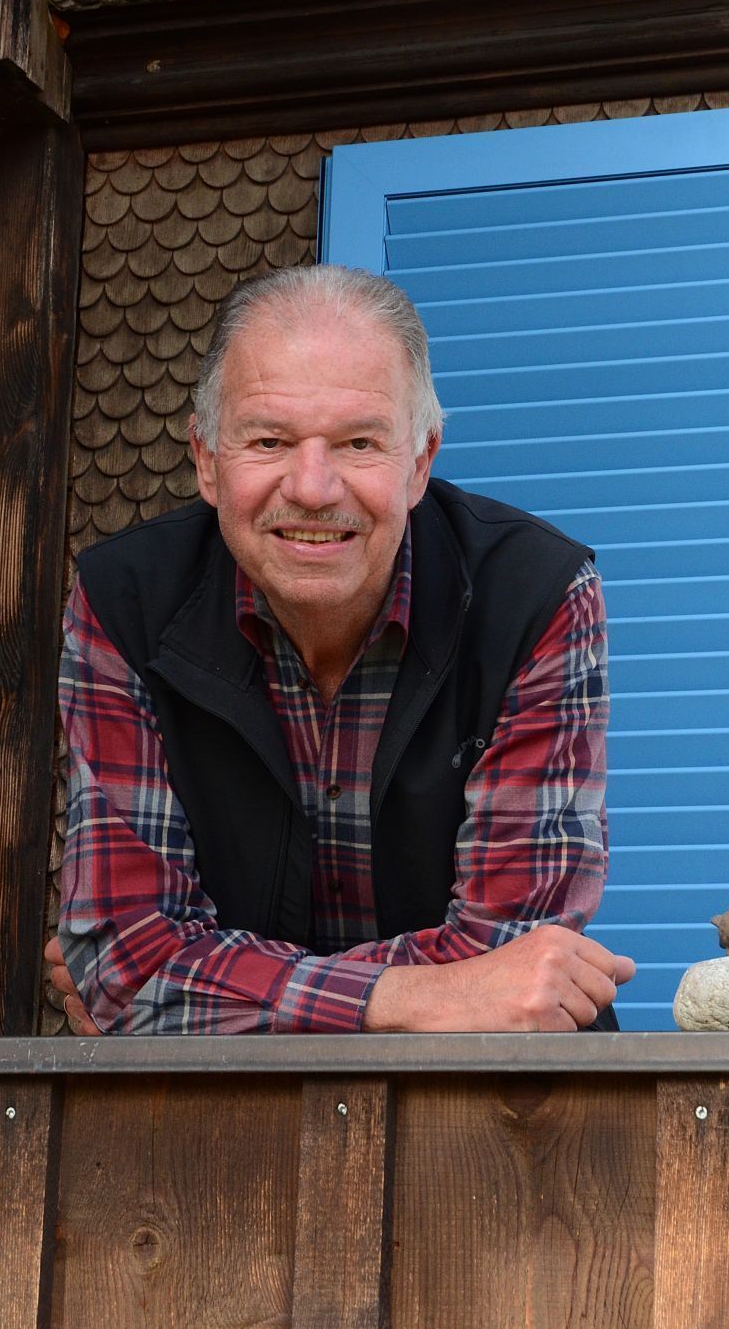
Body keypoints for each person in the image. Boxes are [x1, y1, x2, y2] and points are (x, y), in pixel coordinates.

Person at [45, 264, 634, 1033]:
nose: (313, 487)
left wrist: (186, 988)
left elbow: (514, 965)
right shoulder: (124, 602)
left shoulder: (534, 597)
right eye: (270, 440)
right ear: (207, 459)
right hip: (216, 1104)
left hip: (490, 1102)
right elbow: (126, 960)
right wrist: (419, 998)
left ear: (419, 462)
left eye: (358, 442)